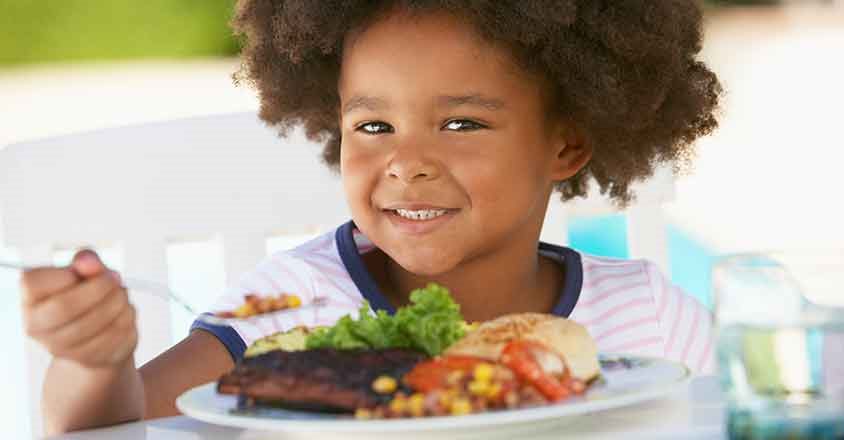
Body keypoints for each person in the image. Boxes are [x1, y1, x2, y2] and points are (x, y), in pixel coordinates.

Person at [20, 0, 721, 434]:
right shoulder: (292, 308)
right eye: (375, 125)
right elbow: (114, 424)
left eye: (461, 123)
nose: (405, 162)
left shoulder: (649, 318)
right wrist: (93, 361)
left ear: (565, 142)